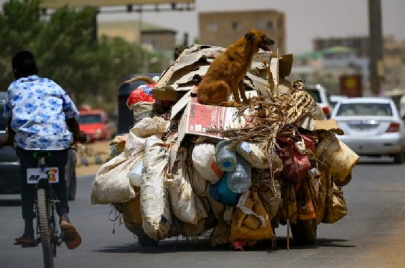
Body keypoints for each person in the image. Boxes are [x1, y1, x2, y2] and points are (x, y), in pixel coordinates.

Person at [0, 50, 87, 249]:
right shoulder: (51, 85)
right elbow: (70, 115)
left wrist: (7, 139)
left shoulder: (14, 88)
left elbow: (11, 119)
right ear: (37, 69)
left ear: (14, 72)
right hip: (57, 142)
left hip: (27, 144)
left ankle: (29, 231)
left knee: (26, 181)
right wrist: (77, 134)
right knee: (58, 179)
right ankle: (64, 217)